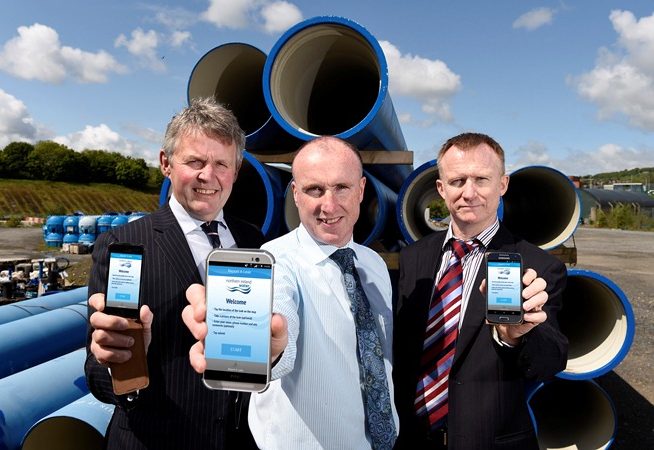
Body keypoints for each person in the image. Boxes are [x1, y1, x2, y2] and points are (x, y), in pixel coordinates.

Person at [183, 136, 399, 449]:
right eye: (315, 190)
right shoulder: (275, 263)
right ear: (296, 194)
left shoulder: (373, 264)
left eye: (342, 187)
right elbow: (278, 329)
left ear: (361, 190)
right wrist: (268, 349)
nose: (329, 204)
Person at [84, 97, 266, 450]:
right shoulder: (124, 245)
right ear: (166, 163)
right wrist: (121, 362)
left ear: (236, 171)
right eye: (194, 161)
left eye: (221, 164)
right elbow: (96, 370)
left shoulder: (253, 240)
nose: (207, 176)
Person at [392, 132, 569, 449]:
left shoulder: (536, 266)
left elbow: (551, 361)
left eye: (481, 180)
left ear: (502, 185)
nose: (469, 193)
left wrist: (519, 335)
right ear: (441, 189)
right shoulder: (413, 257)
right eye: (458, 181)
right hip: (412, 439)